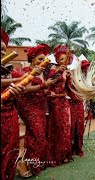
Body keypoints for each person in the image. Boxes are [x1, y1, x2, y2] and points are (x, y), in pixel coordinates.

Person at [13, 44, 56, 177]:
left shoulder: (42, 72)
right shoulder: (27, 70)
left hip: (40, 106)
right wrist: (44, 85)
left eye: (44, 60)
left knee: (36, 136)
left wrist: (47, 92)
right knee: (36, 135)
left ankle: (31, 163)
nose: (42, 62)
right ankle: (22, 163)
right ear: (32, 59)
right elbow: (24, 89)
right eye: (39, 59)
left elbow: (41, 89)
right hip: (28, 107)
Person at [1, 28, 25, 180]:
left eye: (4, 49)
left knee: (11, 151)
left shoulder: (7, 70)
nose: (3, 53)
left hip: (10, 116)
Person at [46, 44, 73, 166]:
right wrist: (58, 72)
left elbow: (68, 88)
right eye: (61, 59)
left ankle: (65, 154)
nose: (63, 61)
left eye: (65, 59)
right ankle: (56, 156)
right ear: (57, 59)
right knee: (57, 127)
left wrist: (70, 79)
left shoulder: (67, 71)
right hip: (54, 101)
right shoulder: (53, 67)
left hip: (64, 101)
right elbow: (49, 81)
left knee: (66, 127)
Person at [68, 60, 90, 157]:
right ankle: (71, 149)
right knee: (72, 126)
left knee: (80, 126)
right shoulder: (73, 77)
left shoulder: (86, 78)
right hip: (72, 104)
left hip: (80, 104)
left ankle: (78, 148)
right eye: (85, 68)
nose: (86, 70)